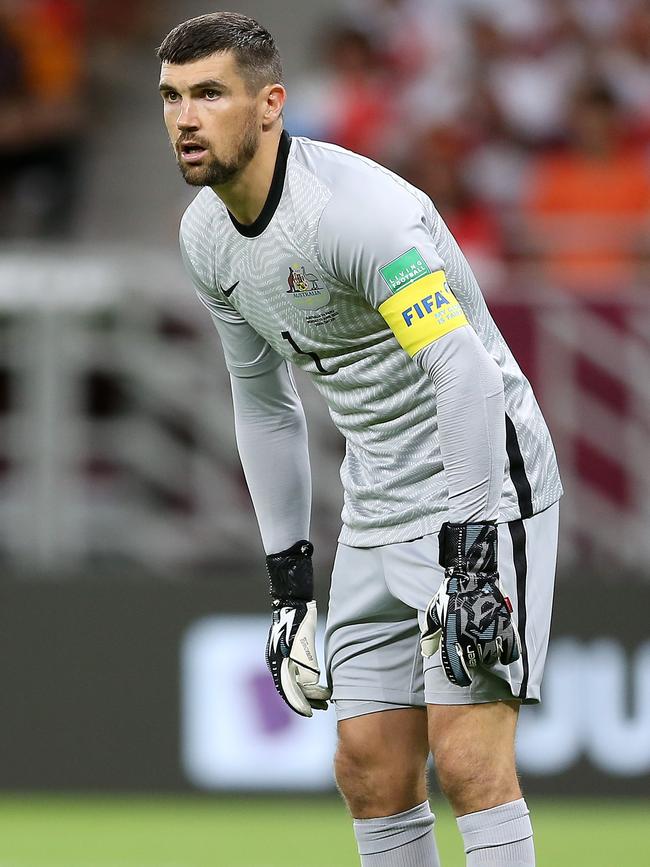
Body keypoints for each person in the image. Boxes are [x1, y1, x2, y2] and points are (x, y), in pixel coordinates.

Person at [157, 12, 562, 867]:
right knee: (369, 768)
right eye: (171, 98)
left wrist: (473, 554)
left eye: (209, 95)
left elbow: (469, 377)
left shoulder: (355, 213)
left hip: (482, 484)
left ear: (271, 105)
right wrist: (288, 583)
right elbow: (263, 400)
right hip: (378, 505)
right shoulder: (205, 237)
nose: (186, 118)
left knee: (469, 758)